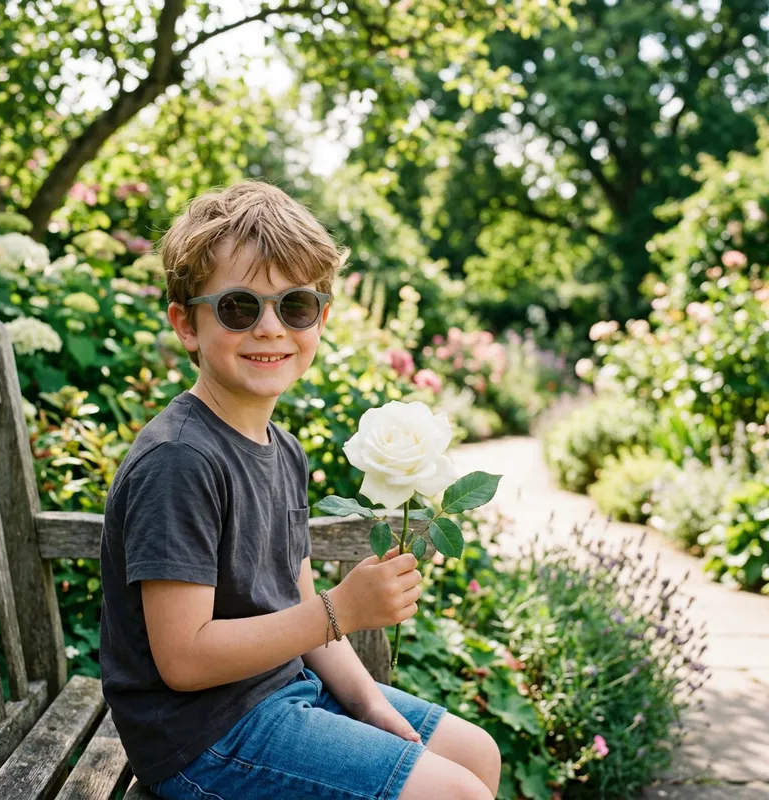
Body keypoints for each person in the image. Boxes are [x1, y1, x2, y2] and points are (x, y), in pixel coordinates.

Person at [99, 179, 501, 800]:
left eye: (296, 306)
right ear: (186, 324)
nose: (270, 328)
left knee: (476, 755)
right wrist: (343, 611)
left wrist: (367, 702)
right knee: (456, 795)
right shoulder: (180, 459)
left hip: (280, 692)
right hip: (202, 736)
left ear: (320, 318)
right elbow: (184, 660)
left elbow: (298, 597)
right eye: (238, 307)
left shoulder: (282, 448)